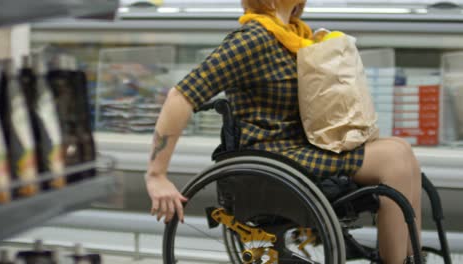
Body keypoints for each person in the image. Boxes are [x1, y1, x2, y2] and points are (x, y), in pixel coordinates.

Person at [145, 0, 422, 263]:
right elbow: (181, 96)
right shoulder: (251, 39)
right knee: (394, 161)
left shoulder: (293, 34)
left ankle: (411, 258)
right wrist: (156, 174)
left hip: (297, 148)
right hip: (273, 154)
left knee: (400, 149)